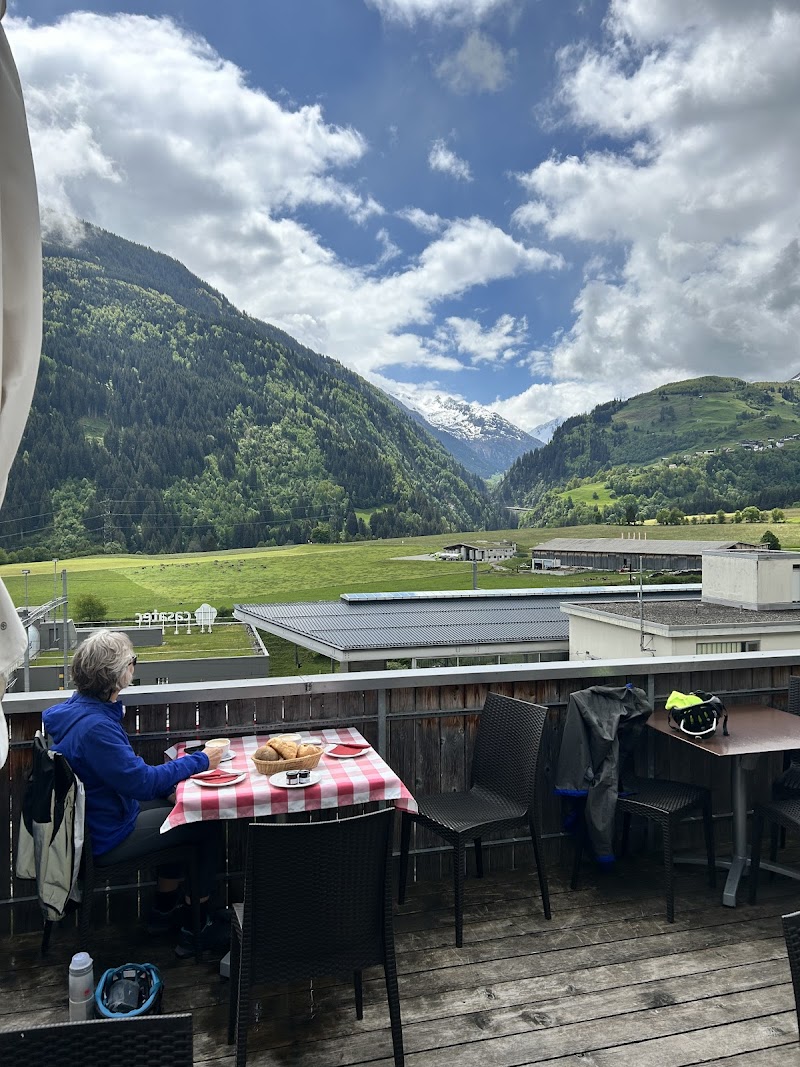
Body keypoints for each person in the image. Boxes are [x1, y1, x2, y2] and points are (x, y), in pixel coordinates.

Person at [43, 628, 228, 957]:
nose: (135, 667)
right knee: (205, 823)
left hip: (102, 816)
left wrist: (170, 786)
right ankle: (195, 926)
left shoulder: (78, 711)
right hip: (106, 835)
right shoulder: (96, 728)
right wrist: (201, 760)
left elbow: (128, 775)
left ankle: (164, 913)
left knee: (178, 810)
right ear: (115, 675)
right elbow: (141, 782)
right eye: (133, 661)